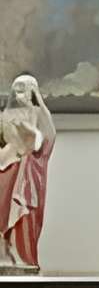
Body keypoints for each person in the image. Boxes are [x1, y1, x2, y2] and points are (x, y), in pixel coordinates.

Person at [0, 74, 55, 272]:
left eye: (24, 88)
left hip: (27, 174)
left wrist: (32, 135)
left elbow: (46, 140)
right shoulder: (5, 115)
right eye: (17, 88)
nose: (19, 93)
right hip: (6, 172)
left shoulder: (39, 113)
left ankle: (23, 256)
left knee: (23, 214)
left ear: (33, 91)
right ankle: (6, 254)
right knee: (4, 213)